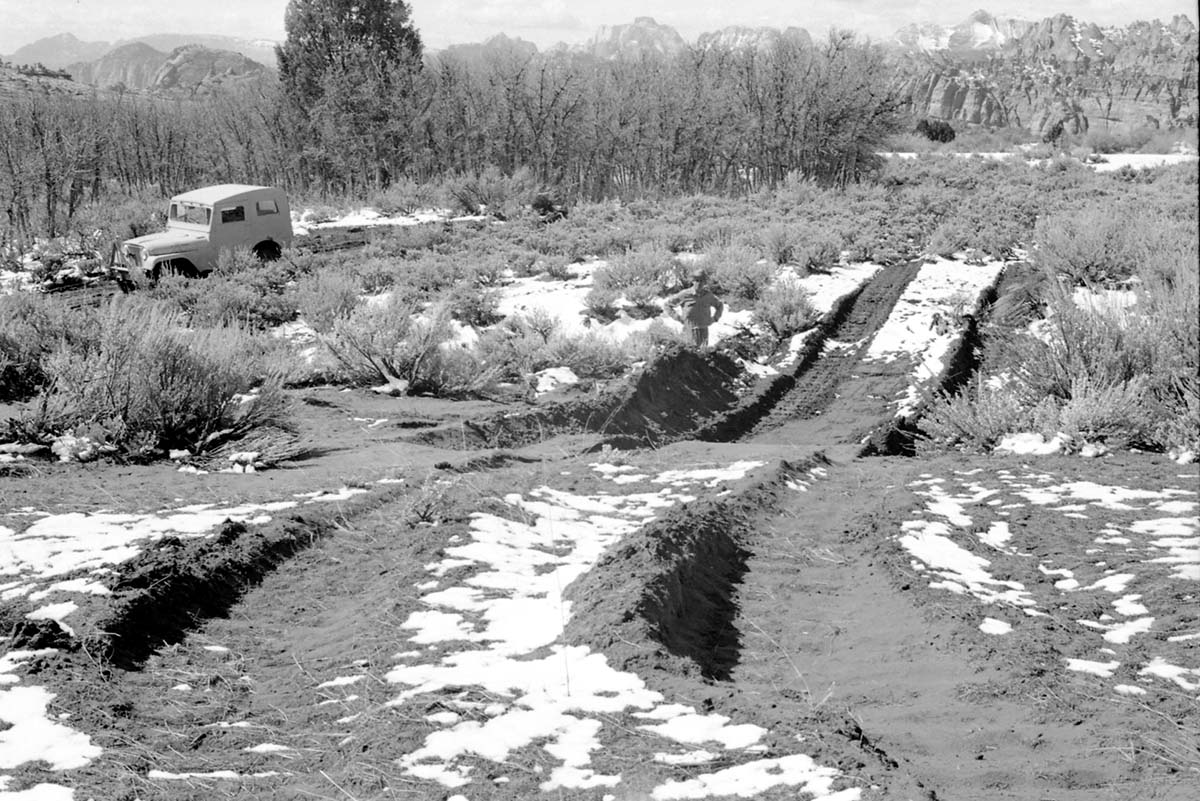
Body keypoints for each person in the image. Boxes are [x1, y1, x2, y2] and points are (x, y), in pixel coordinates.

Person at [669, 270, 724, 349]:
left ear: (705, 282)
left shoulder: (708, 296)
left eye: (701, 281)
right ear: (693, 281)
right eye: (697, 280)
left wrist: (715, 318)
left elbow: (720, 305)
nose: (699, 283)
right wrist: (677, 317)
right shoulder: (685, 294)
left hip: (703, 330)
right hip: (689, 330)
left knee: (702, 355)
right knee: (690, 354)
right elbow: (668, 305)